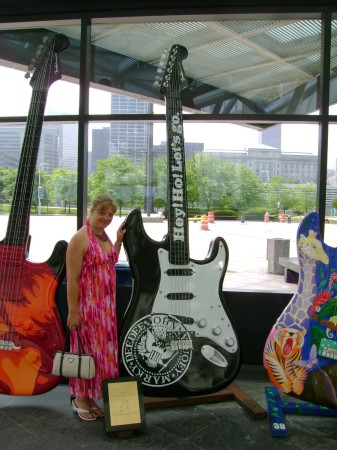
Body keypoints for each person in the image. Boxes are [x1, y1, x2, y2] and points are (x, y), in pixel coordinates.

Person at [66, 194, 126, 421]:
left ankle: (90, 398)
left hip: (106, 309)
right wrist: (73, 312)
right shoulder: (80, 238)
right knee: (86, 352)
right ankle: (80, 398)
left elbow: (109, 259)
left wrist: (118, 241)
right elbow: (72, 279)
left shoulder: (104, 236)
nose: (107, 218)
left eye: (110, 214)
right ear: (91, 212)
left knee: (99, 355)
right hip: (88, 309)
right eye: (102, 213)